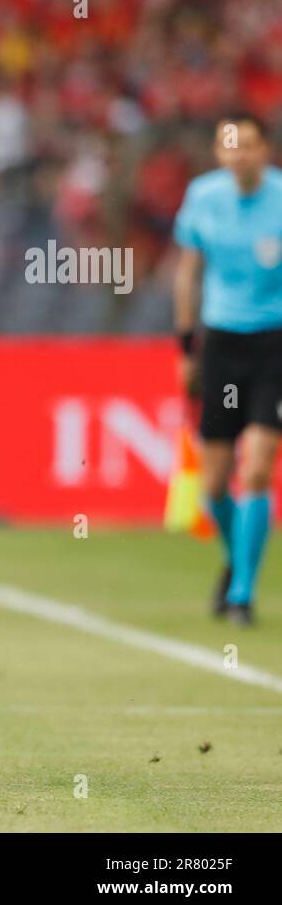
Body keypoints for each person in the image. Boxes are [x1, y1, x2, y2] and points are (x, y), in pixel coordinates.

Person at [174, 112, 282, 626]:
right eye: (229, 146)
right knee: (214, 482)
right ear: (218, 152)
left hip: (273, 345)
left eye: (249, 145)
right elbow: (189, 270)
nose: (239, 154)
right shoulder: (203, 198)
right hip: (220, 344)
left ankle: (241, 593)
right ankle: (236, 555)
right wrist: (185, 346)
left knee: (257, 467)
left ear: (265, 151)